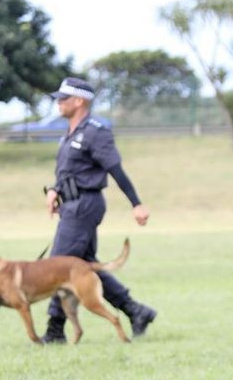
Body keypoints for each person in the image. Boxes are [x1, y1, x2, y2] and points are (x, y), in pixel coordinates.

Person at [40, 77, 157, 343]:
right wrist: (54, 190)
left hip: (85, 206)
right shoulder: (70, 132)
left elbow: (115, 170)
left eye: (63, 98)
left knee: (58, 266)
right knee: (86, 267)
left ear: (79, 100)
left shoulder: (95, 132)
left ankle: (55, 330)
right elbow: (69, 173)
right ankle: (136, 311)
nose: (58, 103)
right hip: (71, 205)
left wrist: (136, 203)